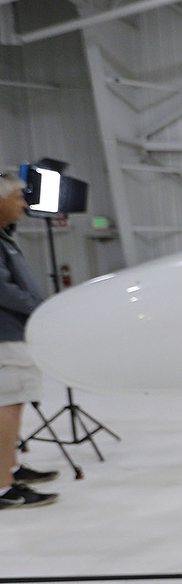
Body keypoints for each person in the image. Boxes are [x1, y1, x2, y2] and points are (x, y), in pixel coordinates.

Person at [0, 172, 58, 509]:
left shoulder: (4, 238)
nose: (24, 204)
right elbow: (3, 289)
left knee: (13, 403)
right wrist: (39, 308)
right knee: (6, 407)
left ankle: (10, 468)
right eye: (18, 197)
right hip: (6, 336)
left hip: (13, 333)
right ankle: (3, 487)